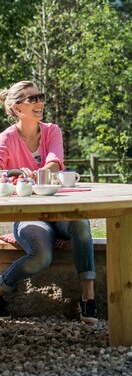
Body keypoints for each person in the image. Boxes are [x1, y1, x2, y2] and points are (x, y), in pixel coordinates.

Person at [0, 80, 97, 323]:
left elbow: (55, 162)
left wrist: (39, 172)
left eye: (40, 97)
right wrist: (14, 173)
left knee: (80, 223)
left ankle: (88, 298)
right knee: (41, 256)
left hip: (58, 210)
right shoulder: (5, 139)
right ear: (16, 107)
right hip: (28, 215)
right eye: (32, 99)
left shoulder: (52, 130)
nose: (40, 102)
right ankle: (1, 288)